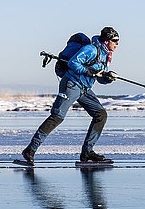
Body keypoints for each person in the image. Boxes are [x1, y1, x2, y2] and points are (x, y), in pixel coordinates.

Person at [21, 27, 120, 165]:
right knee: (57, 117)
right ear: (106, 40)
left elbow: (100, 78)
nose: (117, 44)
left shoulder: (106, 55)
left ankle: (87, 152)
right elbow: (73, 63)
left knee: (101, 115)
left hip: (84, 89)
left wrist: (107, 78)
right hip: (71, 85)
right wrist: (90, 72)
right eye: (115, 41)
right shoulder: (91, 49)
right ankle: (30, 150)